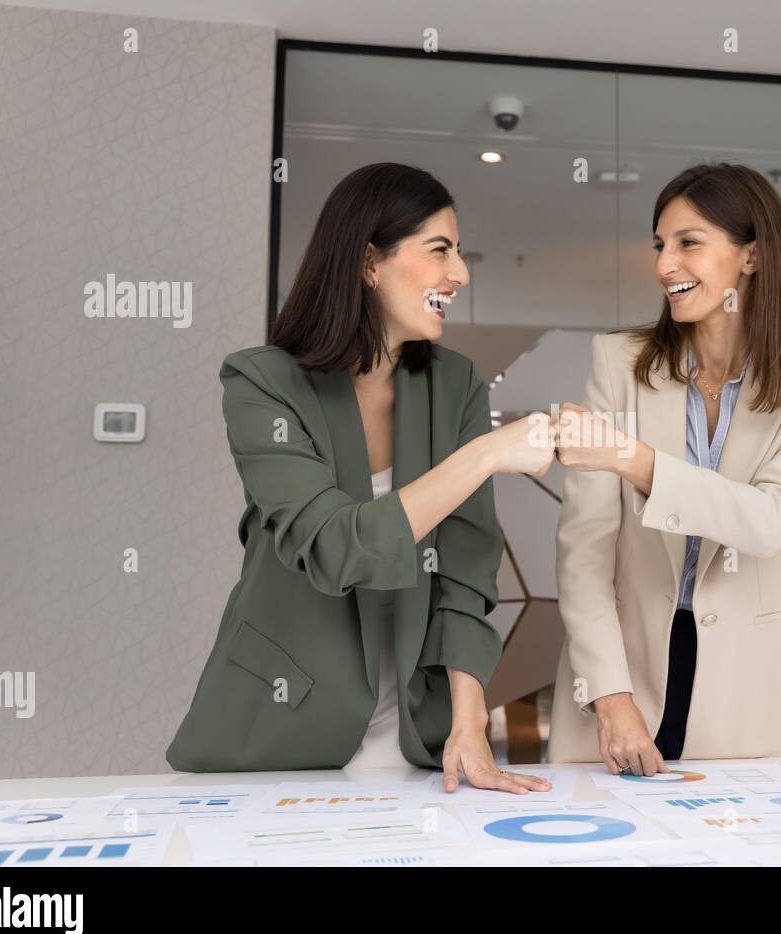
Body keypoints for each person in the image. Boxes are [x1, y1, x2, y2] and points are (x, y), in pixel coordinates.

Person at [167, 163, 554, 795]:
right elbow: (334, 546)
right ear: (369, 263)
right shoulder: (262, 384)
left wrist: (469, 723)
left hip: (415, 739)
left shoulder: (455, 384)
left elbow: (465, 571)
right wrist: (483, 456)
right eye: (439, 251)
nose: (460, 273)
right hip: (280, 731)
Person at [549, 162, 781, 774]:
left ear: (752, 257)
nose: (664, 265)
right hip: (622, 676)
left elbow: (772, 520)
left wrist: (631, 460)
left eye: (689, 242)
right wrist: (611, 698)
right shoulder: (617, 361)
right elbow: (585, 548)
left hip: (752, 689)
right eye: (661, 245)